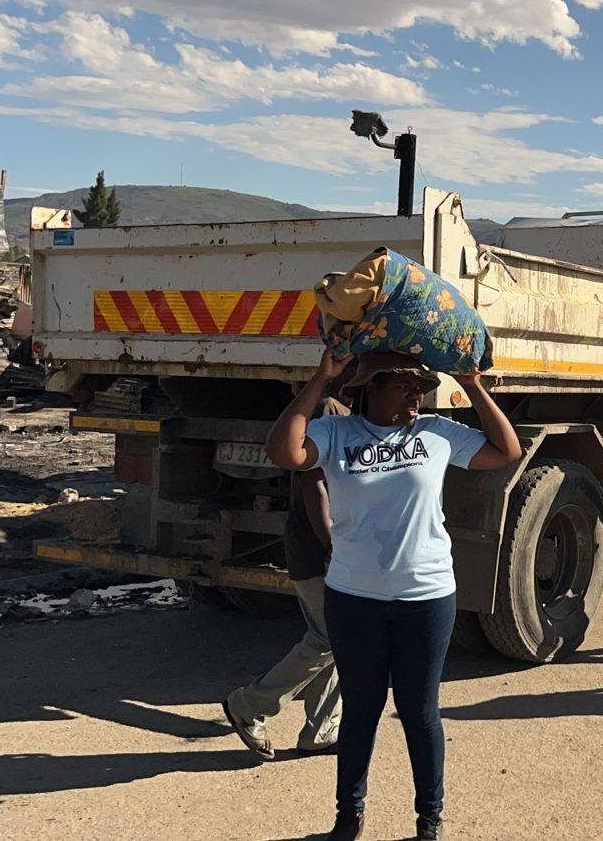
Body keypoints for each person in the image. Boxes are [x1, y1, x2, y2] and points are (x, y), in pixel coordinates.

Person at [267, 350, 520, 841]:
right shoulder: (336, 433)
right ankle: (348, 817)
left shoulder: (436, 432)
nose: (415, 394)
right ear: (373, 386)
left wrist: (472, 385)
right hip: (353, 597)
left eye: (420, 385)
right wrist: (322, 377)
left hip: (426, 596)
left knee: (419, 710)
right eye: (404, 384)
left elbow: (505, 451)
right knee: (360, 709)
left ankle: (429, 820)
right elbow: (284, 451)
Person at [222, 391, 350, 760]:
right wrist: (332, 547)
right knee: (331, 636)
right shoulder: (329, 411)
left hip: (328, 549)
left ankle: (321, 731)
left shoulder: (350, 415)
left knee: (338, 639)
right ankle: (249, 704)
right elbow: (314, 484)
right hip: (317, 551)